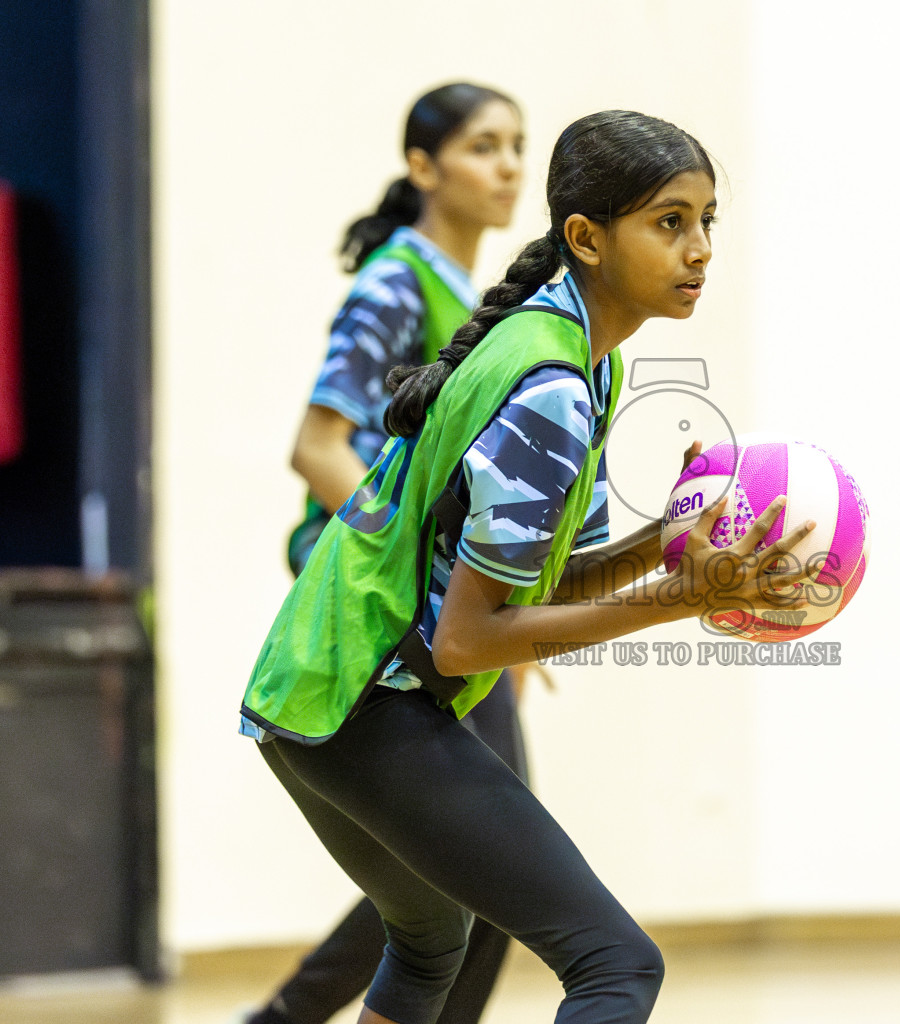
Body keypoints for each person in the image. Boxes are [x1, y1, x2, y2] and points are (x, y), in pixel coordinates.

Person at [238, 109, 819, 1024]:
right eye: (669, 222)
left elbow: (543, 582)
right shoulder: (549, 384)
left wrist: (660, 541)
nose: (700, 248)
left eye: (707, 221)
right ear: (586, 238)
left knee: (431, 941)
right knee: (615, 963)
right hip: (360, 698)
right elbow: (469, 640)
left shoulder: (578, 357)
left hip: (312, 687)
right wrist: (680, 596)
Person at [243, 82, 551, 1024]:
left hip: (443, 606)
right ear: (423, 167)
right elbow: (318, 448)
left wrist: (502, 606)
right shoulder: (394, 282)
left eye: (516, 145)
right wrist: (433, 579)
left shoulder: (481, 300)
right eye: (482, 146)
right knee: (486, 867)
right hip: (388, 610)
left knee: (471, 873)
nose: (508, 166)